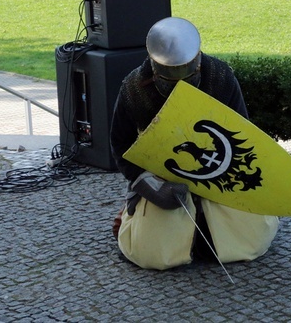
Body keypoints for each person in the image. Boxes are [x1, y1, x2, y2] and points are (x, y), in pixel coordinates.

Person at [110, 17, 279, 270]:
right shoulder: (134, 89)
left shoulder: (220, 78)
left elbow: (242, 134)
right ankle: (130, 218)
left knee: (250, 239)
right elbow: (121, 145)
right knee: (151, 252)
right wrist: (149, 187)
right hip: (163, 177)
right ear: (155, 70)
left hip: (218, 172)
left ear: (197, 62)